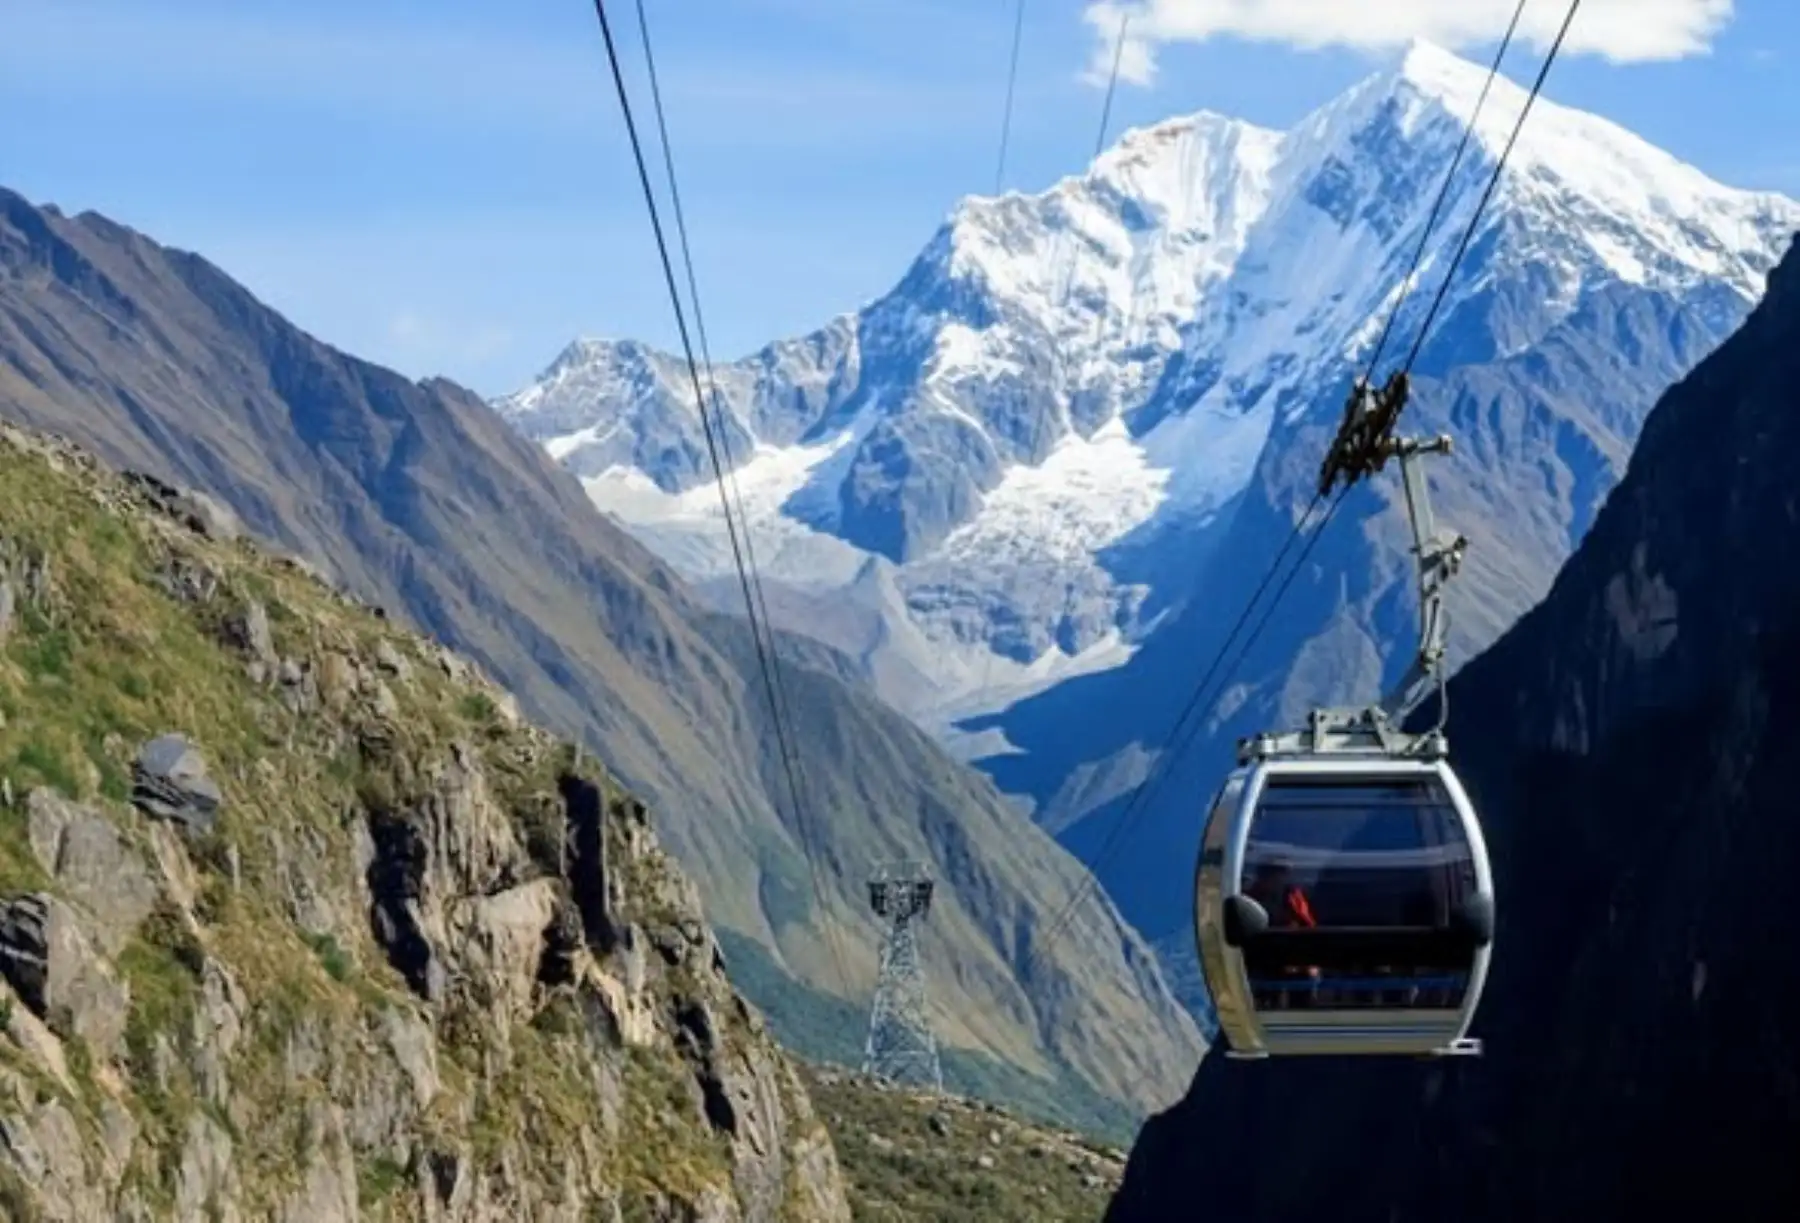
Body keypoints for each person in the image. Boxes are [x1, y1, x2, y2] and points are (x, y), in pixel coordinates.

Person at [1246, 859, 1322, 1007]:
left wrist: (1309, 962)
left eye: (1282, 874)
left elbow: (1307, 925)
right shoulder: (1250, 897)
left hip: (1291, 954)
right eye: (1274, 874)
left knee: (1304, 979)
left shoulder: (1291, 895)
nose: (1279, 879)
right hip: (1260, 957)